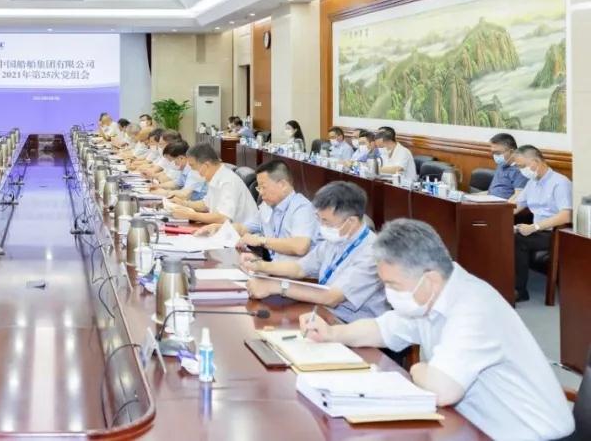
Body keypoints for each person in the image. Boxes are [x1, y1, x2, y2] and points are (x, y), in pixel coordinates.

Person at [300, 218, 573, 441]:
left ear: (429, 279)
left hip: (532, 435)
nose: (388, 293)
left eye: (392, 285)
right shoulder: (431, 295)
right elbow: (382, 329)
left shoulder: (473, 307)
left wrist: (418, 369)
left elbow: (442, 390)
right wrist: (332, 334)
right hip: (473, 426)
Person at [243, 181, 387, 322]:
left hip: (352, 325)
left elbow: (332, 297)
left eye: (326, 221)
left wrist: (276, 286)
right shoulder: (338, 238)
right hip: (323, 313)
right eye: (319, 219)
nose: (321, 226)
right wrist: (259, 265)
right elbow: (300, 268)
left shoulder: (372, 253)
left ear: (351, 222)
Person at [512, 145, 572, 302]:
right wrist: (496, 216)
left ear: (535, 162)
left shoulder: (560, 183)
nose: (521, 170)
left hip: (553, 233)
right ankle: (503, 282)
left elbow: (566, 216)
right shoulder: (532, 182)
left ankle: (520, 291)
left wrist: (534, 227)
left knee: (517, 240)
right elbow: (516, 205)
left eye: (522, 166)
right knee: (502, 233)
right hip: (535, 231)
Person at [236, 160, 317, 261]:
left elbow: (300, 247)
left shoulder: (301, 208)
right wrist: (223, 230)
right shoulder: (267, 206)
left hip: (295, 270)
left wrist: (262, 240)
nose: (261, 193)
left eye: (263, 187)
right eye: (259, 188)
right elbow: (244, 228)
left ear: (282, 185)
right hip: (274, 265)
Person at [167, 143, 257, 225]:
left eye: (193, 166)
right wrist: (183, 204)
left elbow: (223, 217)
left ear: (205, 166)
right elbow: (205, 205)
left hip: (241, 234)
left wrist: (192, 215)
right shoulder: (215, 177)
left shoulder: (228, 181)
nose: (192, 171)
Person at [486, 132, 527, 200]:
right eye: (493, 153)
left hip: (503, 205)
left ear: (512, 152)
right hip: (489, 201)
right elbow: (492, 192)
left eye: (498, 153)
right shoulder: (501, 165)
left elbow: (518, 197)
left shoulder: (520, 170)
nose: (495, 156)